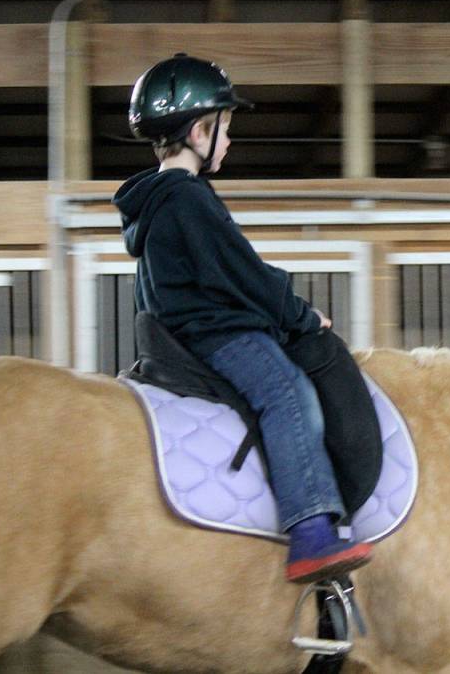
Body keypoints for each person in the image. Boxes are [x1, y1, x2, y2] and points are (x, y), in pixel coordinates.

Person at [113, 53, 371, 583]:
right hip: (219, 335)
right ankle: (311, 533)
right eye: (224, 129)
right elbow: (244, 276)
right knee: (288, 393)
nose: (228, 142)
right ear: (198, 130)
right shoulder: (186, 199)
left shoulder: (159, 202)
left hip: (186, 334)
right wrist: (300, 316)